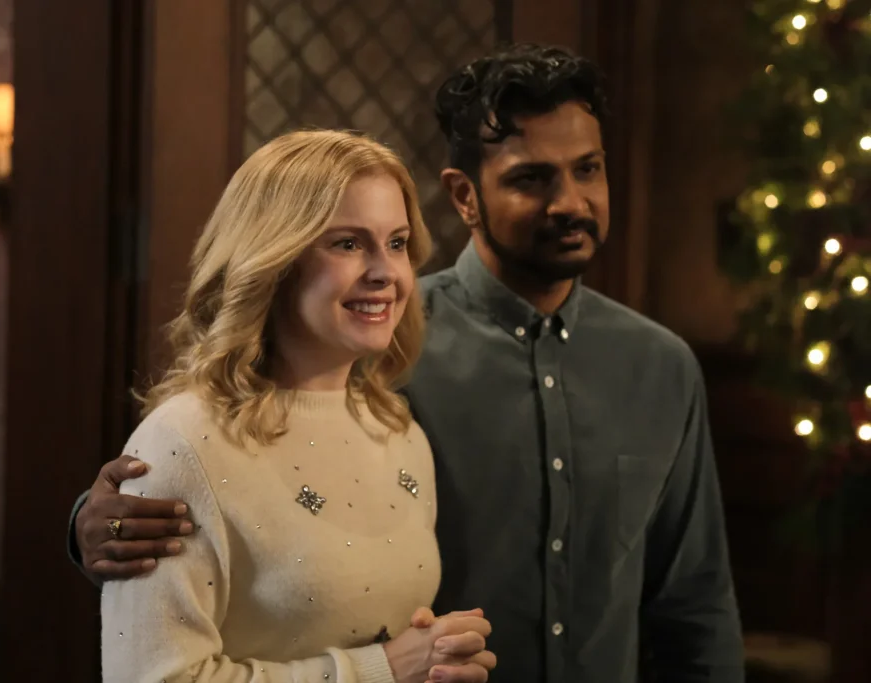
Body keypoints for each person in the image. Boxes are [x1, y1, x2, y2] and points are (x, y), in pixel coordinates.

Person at [74, 44, 745, 682]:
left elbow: (694, 600)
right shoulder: (376, 345)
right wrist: (93, 521)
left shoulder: (661, 367)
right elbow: (235, 455)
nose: (570, 202)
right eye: (531, 178)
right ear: (464, 196)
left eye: (588, 169)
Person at [98, 129, 497, 683]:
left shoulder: (396, 428)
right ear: (273, 260)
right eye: (348, 244)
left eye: (397, 243)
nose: (385, 272)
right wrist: (381, 670)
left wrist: (436, 662)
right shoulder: (182, 441)